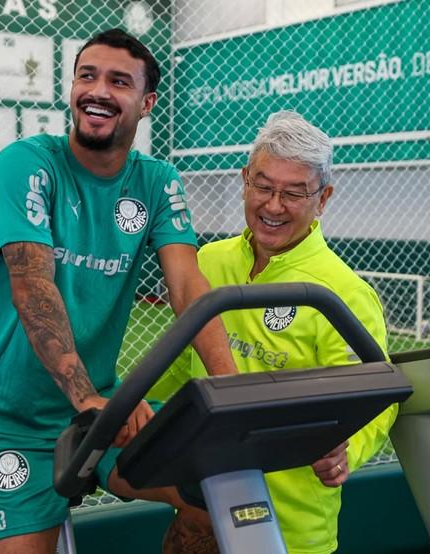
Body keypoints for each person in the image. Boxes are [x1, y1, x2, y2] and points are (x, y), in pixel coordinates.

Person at [0, 28, 237, 554]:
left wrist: (235, 391)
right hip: (13, 423)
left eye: (118, 81)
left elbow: (187, 285)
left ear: (147, 102)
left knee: (214, 492)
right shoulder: (27, 163)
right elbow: (31, 283)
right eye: (87, 75)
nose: (98, 91)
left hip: (106, 409)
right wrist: (85, 398)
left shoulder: (157, 181)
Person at [148, 111, 399, 554]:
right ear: (244, 180)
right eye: (263, 186)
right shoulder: (208, 262)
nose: (273, 205)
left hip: (291, 529)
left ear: (323, 199)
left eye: (294, 192)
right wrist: (130, 404)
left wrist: (348, 448)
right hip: (201, 500)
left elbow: (375, 396)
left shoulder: (344, 292)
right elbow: (181, 363)